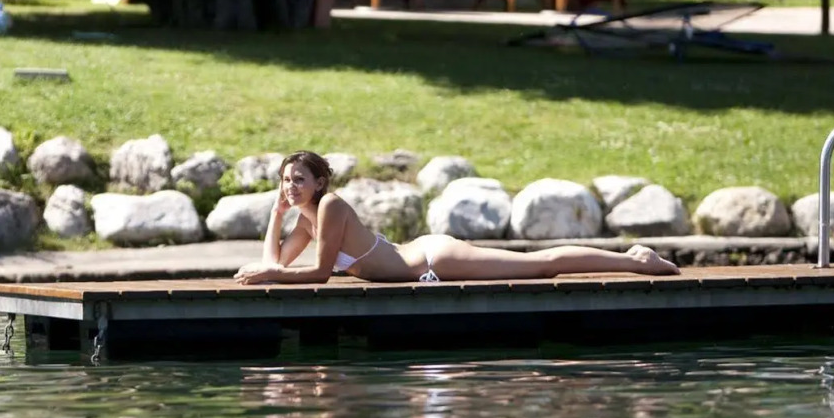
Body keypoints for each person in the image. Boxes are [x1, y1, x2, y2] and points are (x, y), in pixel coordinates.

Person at [234, 150, 679, 285]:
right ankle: (633, 260)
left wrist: (269, 275)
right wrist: (276, 214)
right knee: (541, 267)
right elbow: (277, 260)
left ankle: (637, 262)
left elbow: (319, 274)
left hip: (432, 260)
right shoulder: (306, 219)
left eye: (298, 180)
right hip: (418, 255)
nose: (291, 186)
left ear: (319, 184)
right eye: (286, 180)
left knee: (541, 266)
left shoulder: (329, 208)